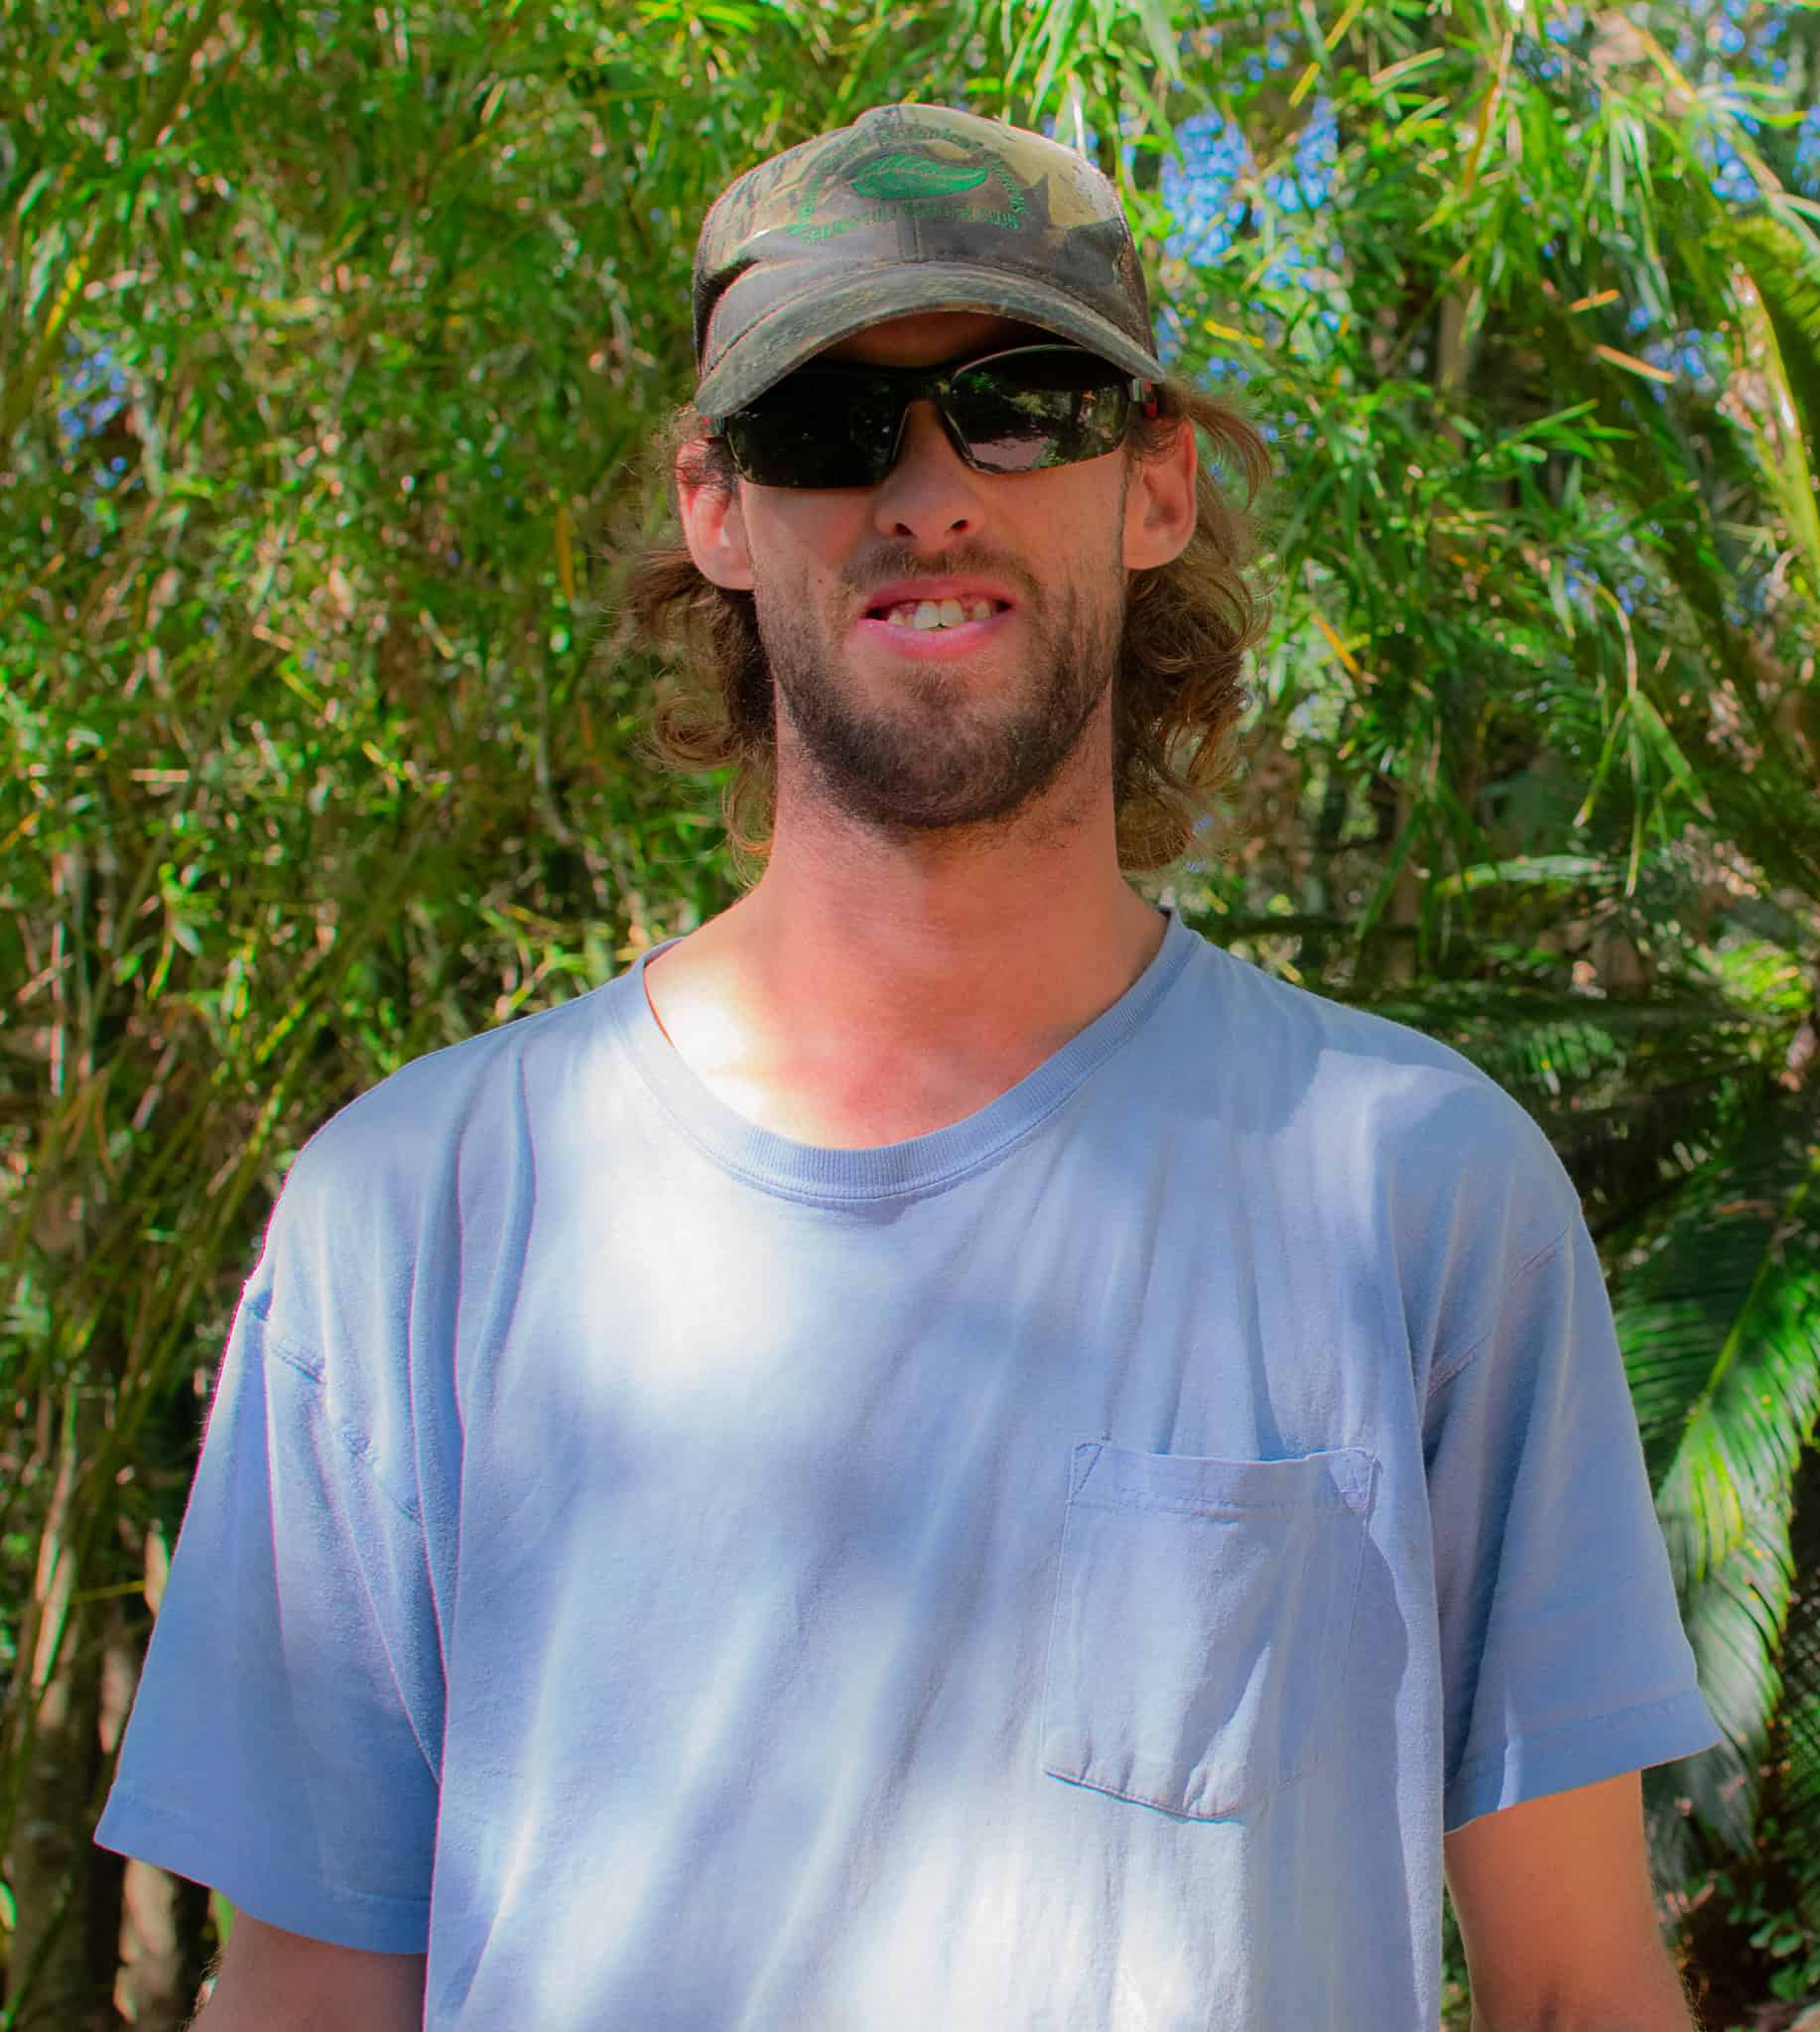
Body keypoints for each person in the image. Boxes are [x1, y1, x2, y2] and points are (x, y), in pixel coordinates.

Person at [95, 101, 1723, 2031]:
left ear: (1154, 479)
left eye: (1019, 403)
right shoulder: (415, 1218)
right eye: (826, 422)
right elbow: (307, 2003)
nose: (928, 490)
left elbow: (1569, 1994)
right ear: (715, 502)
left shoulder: (1411, 1192)